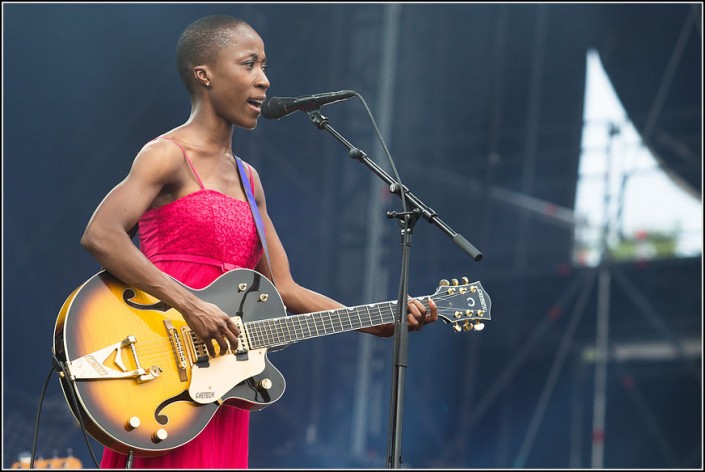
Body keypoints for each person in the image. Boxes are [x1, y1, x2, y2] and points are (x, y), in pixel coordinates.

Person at [80, 15, 438, 469]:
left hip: (223, 379)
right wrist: (192, 305)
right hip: (162, 372)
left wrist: (375, 321)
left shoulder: (250, 179)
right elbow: (102, 234)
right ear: (204, 74)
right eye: (249, 64)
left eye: (264, 66)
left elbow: (285, 288)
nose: (264, 81)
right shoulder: (166, 154)